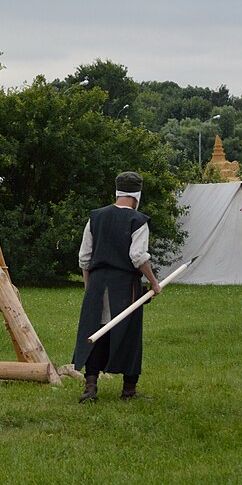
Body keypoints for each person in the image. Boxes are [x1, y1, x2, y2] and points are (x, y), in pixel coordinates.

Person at [73, 171, 161, 403]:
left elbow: (84, 258)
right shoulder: (138, 220)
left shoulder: (96, 217)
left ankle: (90, 386)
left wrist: (89, 288)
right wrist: (154, 283)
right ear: (137, 194)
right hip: (124, 286)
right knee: (128, 334)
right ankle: (128, 391)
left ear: (118, 191)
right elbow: (138, 256)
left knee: (96, 332)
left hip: (97, 283)